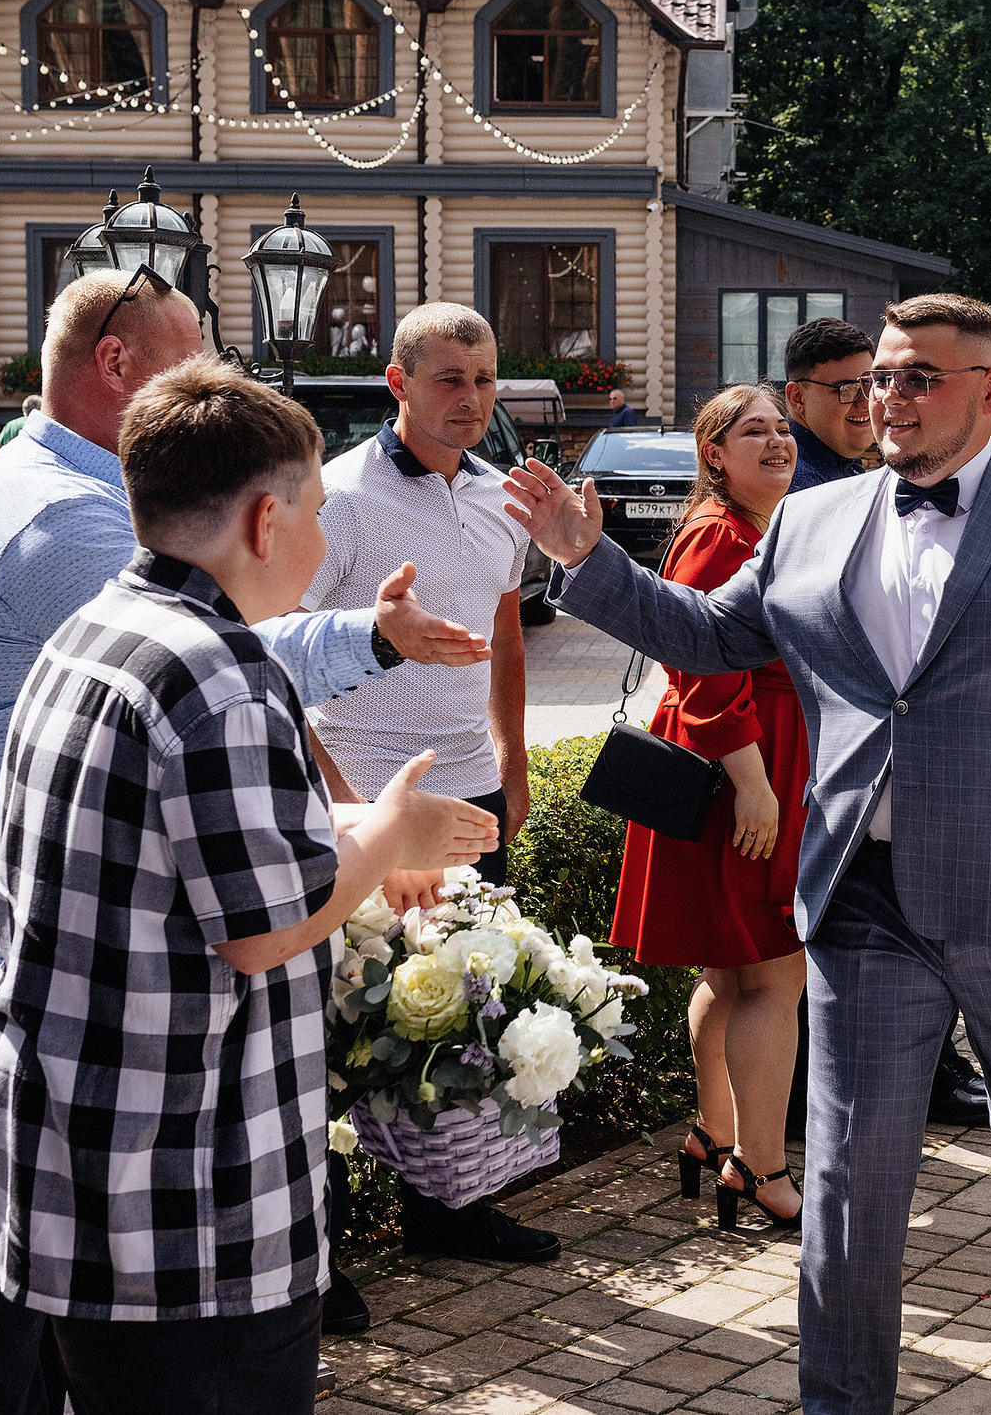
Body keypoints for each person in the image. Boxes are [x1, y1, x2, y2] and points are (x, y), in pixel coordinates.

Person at [502, 292, 991, 1406]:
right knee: (849, 1179)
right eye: (881, 377)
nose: (891, 397)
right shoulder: (811, 522)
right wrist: (589, 560)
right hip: (862, 894)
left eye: (919, 376)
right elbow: (709, 635)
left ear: (989, 391)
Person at [0, 271, 492, 1413]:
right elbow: (265, 929)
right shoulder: (214, 673)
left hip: (81, 1168)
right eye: (314, 515)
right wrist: (393, 833)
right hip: (184, 1214)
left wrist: (352, 824)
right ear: (265, 520)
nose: (320, 542)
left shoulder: (103, 623)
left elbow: (177, 840)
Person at [298, 302, 559, 1272]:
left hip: (472, 794)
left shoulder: (502, 498)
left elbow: (506, 639)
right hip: (369, 798)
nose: (471, 398)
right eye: (450, 378)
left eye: (484, 380)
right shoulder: (339, 497)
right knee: (341, 1027)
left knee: (467, 1007)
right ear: (398, 383)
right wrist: (351, 809)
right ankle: (318, 1254)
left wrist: (513, 761)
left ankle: (451, 1211)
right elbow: (283, 656)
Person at [777, 314, 989, 1131]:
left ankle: (929, 1073)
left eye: (888, 380)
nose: (872, 400)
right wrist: (587, 561)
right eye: (855, 385)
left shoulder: (874, 477)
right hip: (829, 770)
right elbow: (720, 633)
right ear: (797, 397)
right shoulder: (809, 498)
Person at [611, 384, 808, 1232]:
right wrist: (755, 783)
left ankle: (716, 1136)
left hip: (752, 757)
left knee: (731, 973)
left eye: (781, 428)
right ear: (714, 455)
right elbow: (698, 667)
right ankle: (762, 1167)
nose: (776, 441)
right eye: (752, 431)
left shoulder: (755, 525)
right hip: (743, 763)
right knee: (774, 972)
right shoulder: (719, 534)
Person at [782, 315, 875, 493]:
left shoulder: (836, 461)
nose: (865, 402)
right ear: (797, 397)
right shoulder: (798, 484)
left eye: (870, 384)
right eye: (846, 389)